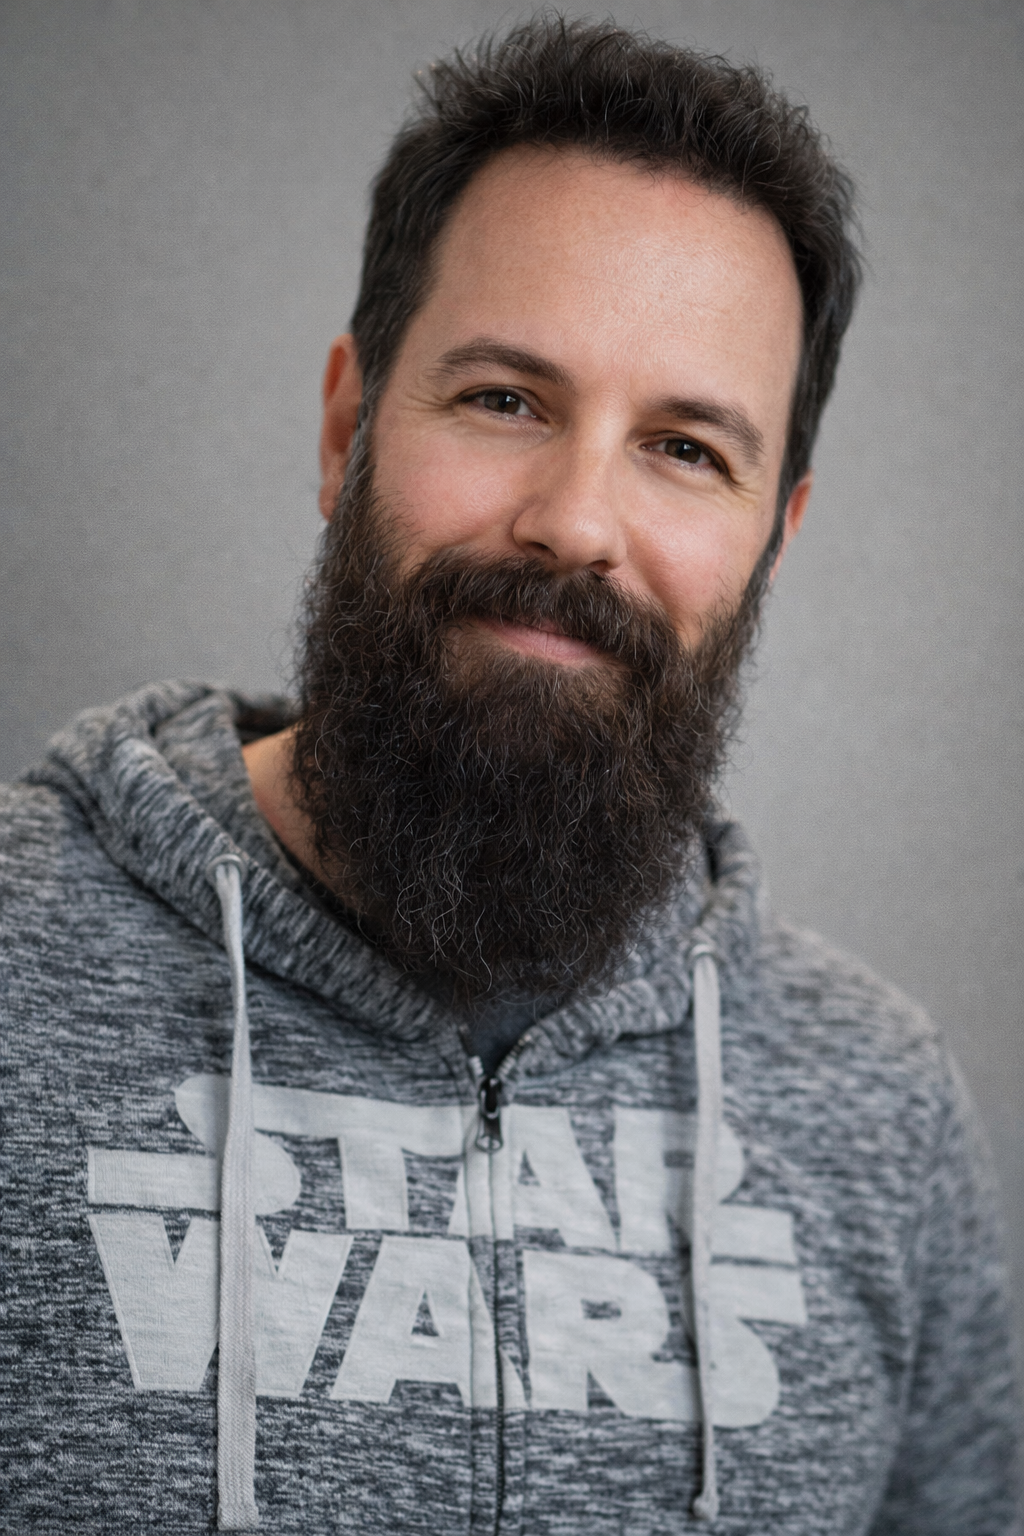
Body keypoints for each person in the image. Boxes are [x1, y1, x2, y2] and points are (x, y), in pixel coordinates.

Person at [0, 16, 1018, 1535]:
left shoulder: (878, 1106)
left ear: (773, 535)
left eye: (685, 448)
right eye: (505, 401)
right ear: (348, 421)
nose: (575, 523)